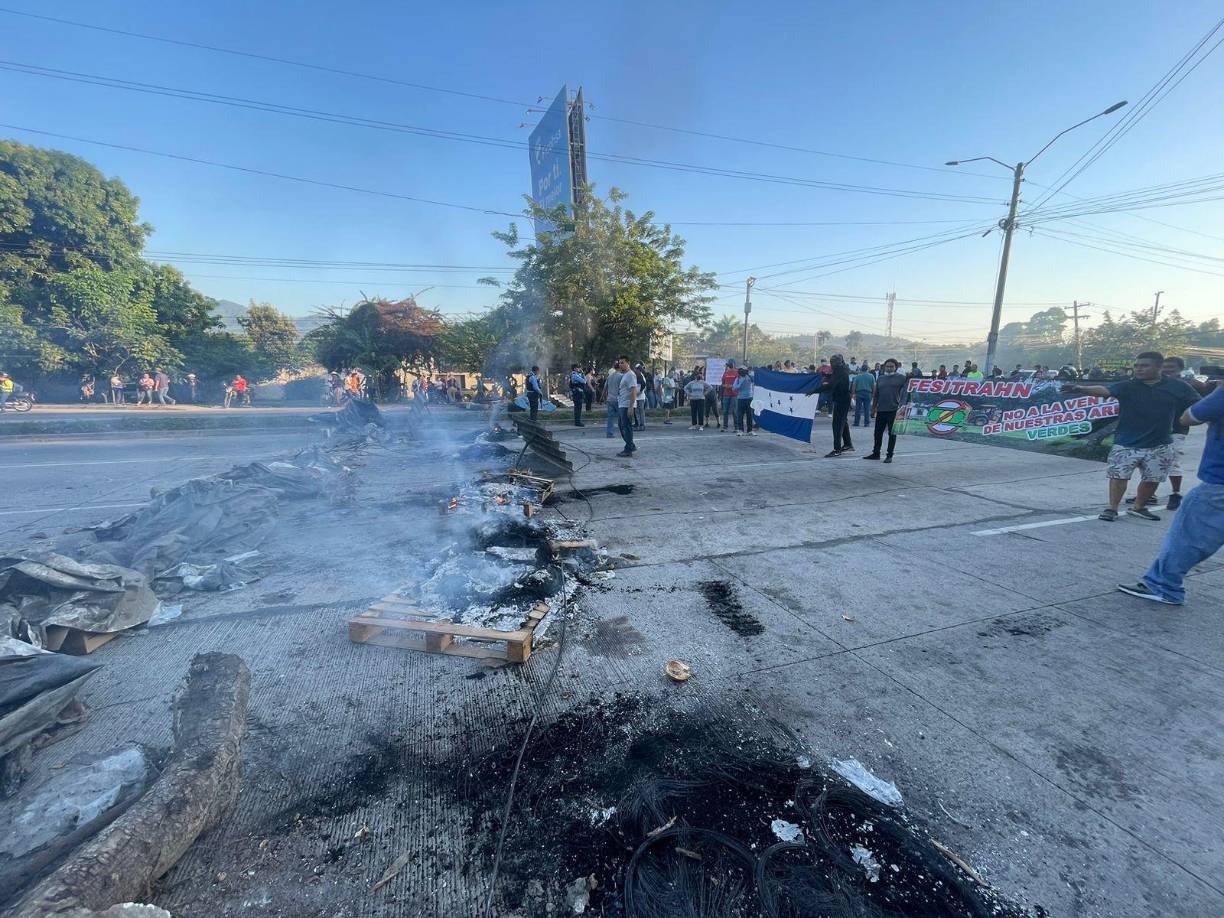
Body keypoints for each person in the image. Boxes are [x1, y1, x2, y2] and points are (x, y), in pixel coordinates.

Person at [1117, 380, 1224, 604]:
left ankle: (1163, 586)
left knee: (1190, 536)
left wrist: (1217, 392)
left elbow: (1189, 417)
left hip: (1218, 483)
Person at [1063, 351, 1200, 522]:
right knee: (1118, 476)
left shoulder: (1178, 386)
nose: (1139, 369)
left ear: (1158, 367)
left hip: (1161, 443)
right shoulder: (1128, 386)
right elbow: (1105, 390)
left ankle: (1139, 507)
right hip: (1126, 442)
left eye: (1144, 366)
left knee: (1152, 478)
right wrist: (1080, 388)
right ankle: (1112, 509)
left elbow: (1198, 405)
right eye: (1137, 365)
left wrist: (1190, 419)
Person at [864, 358, 908, 463]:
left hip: (894, 410)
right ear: (884, 367)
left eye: (891, 366)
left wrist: (904, 406)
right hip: (881, 410)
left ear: (896, 367)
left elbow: (908, 391)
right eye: (887, 366)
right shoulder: (880, 379)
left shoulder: (902, 378)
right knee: (877, 433)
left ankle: (889, 455)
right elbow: (876, 395)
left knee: (892, 434)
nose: (889, 368)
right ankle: (876, 453)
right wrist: (873, 408)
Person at [818, 355, 853, 457]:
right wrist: (826, 375)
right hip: (841, 398)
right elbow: (833, 378)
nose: (832, 364)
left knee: (837, 424)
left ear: (838, 362)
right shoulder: (842, 369)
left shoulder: (840, 371)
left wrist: (814, 390)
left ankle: (837, 449)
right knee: (843, 422)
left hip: (842, 399)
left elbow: (830, 385)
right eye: (831, 362)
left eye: (833, 362)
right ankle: (848, 444)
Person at [615, 356, 638, 457]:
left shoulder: (630, 375)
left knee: (626, 427)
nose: (620, 364)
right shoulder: (625, 375)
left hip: (627, 405)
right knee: (621, 426)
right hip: (622, 404)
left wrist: (631, 406)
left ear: (628, 363)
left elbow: (633, 391)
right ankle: (631, 445)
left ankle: (628, 449)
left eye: (622, 363)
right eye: (619, 363)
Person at [733, 367, 756, 436]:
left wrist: (749, 374)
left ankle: (750, 430)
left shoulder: (749, 377)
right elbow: (734, 388)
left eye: (743, 372)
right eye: (741, 372)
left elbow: (756, 380)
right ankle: (740, 430)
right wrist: (740, 383)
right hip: (740, 399)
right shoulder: (738, 379)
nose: (742, 373)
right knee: (740, 415)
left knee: (749, 415)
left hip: (749, 398)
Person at [720, 359, 740, 431]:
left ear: (734, 364)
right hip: (726, 394)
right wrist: (725, 386)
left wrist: (731, 386)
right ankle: (725, 427)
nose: (729, 365)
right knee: (725, 411)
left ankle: (736, 427)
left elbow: (739, 383)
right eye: (728, 364)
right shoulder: (725, 373)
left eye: (730, 364)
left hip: (734, 394)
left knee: (735, 411)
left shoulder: (737, 372)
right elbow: (722, 383)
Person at [605, 362, 622, 438]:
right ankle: (623, 431)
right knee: (621, 416)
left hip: (610, 399)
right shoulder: (621, 376)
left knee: (610, 417)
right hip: (618, 399)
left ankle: (609, 433)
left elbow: (605, 387)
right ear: (620, 367)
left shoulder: (610, 376)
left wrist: (605, 397)